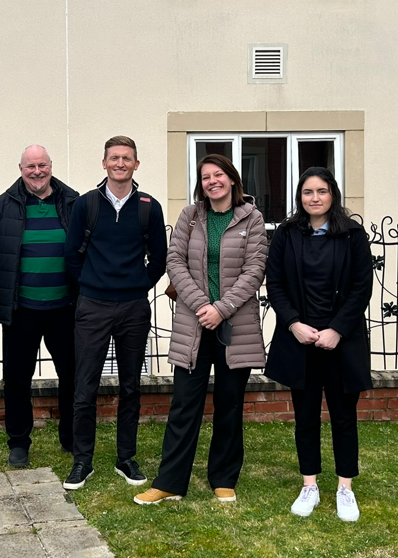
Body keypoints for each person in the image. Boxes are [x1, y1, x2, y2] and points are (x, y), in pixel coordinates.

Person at [134, 154, 268, 505]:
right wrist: (201, 306)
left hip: (235, 326)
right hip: (193, 326)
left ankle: (223, 478)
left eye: (218, 174)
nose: (212, 181)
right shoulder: (190, 217)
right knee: (184, 405)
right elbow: (174, 262)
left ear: (232, 179)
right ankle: (170, 483)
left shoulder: (251, 218)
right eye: (206, 176)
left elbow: (255, 270)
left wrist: (221, 309)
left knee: (229, 404)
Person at [264, 166, 372, 522]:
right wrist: (293, 324)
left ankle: (345, 488)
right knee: (305, 418)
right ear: (300, 197)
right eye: (307, 192)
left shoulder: (353, 235)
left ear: (333, 194)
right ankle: (309, 484)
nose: (314, 198)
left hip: (342, 342)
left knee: (344, 418)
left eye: (321, 191)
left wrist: (337, 329)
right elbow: (275, 284)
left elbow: (361, 288)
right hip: (300, 342)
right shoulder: (286, 234)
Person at [62, 135, 167, 490]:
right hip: (92, 306)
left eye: (127, 158)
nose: (120, 163)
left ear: (136, 164)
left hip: (134, 307)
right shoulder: (86, 204)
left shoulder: (148, 207)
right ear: (104, 163)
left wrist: (138, 284)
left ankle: (126, 458)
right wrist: (92, 285)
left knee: (130, 386)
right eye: (114, 158)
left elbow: (160, 259)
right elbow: (72, 257)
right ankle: (82, 461)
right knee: (84, 386)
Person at [0, 145, 79, 468]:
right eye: (30, 167)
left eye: (42, 165)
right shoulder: (1, 207)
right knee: (17, 378)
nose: (36, 172)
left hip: (65, 307)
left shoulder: (72, 202)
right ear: (20, 168)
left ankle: (71, 437)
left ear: (51, 166)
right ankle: (19, 443)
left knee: (72, 374)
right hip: (21, 309)